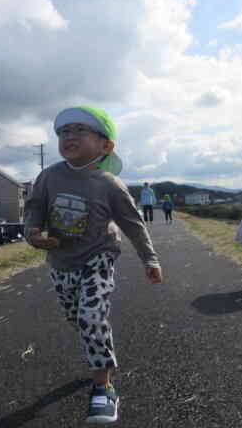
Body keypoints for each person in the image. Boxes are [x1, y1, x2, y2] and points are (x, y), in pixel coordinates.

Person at [24, 106, 163, 424]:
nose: (68, 137)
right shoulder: (48, 176)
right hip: (61, 261)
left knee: (90, 316)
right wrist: (33, 233)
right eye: (62, 132)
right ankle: (96, 339)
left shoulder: (110, 184)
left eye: (78, 130)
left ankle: (103, 388)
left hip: (99, 256)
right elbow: (34, 209)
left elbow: (133, 224)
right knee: (76, 318)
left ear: (106, 145)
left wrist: (150, 259)